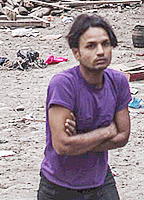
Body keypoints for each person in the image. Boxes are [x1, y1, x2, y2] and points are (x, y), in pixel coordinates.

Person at [38, 13, 131, 200]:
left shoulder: (118, 81)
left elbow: (122, 136)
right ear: (76, 53)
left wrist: (79, 142)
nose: (100, 51)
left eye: (105, 44)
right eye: (91, 46)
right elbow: (62, 145)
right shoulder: (63, 84)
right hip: (59, 186)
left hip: (100, 180)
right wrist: (105, 132)